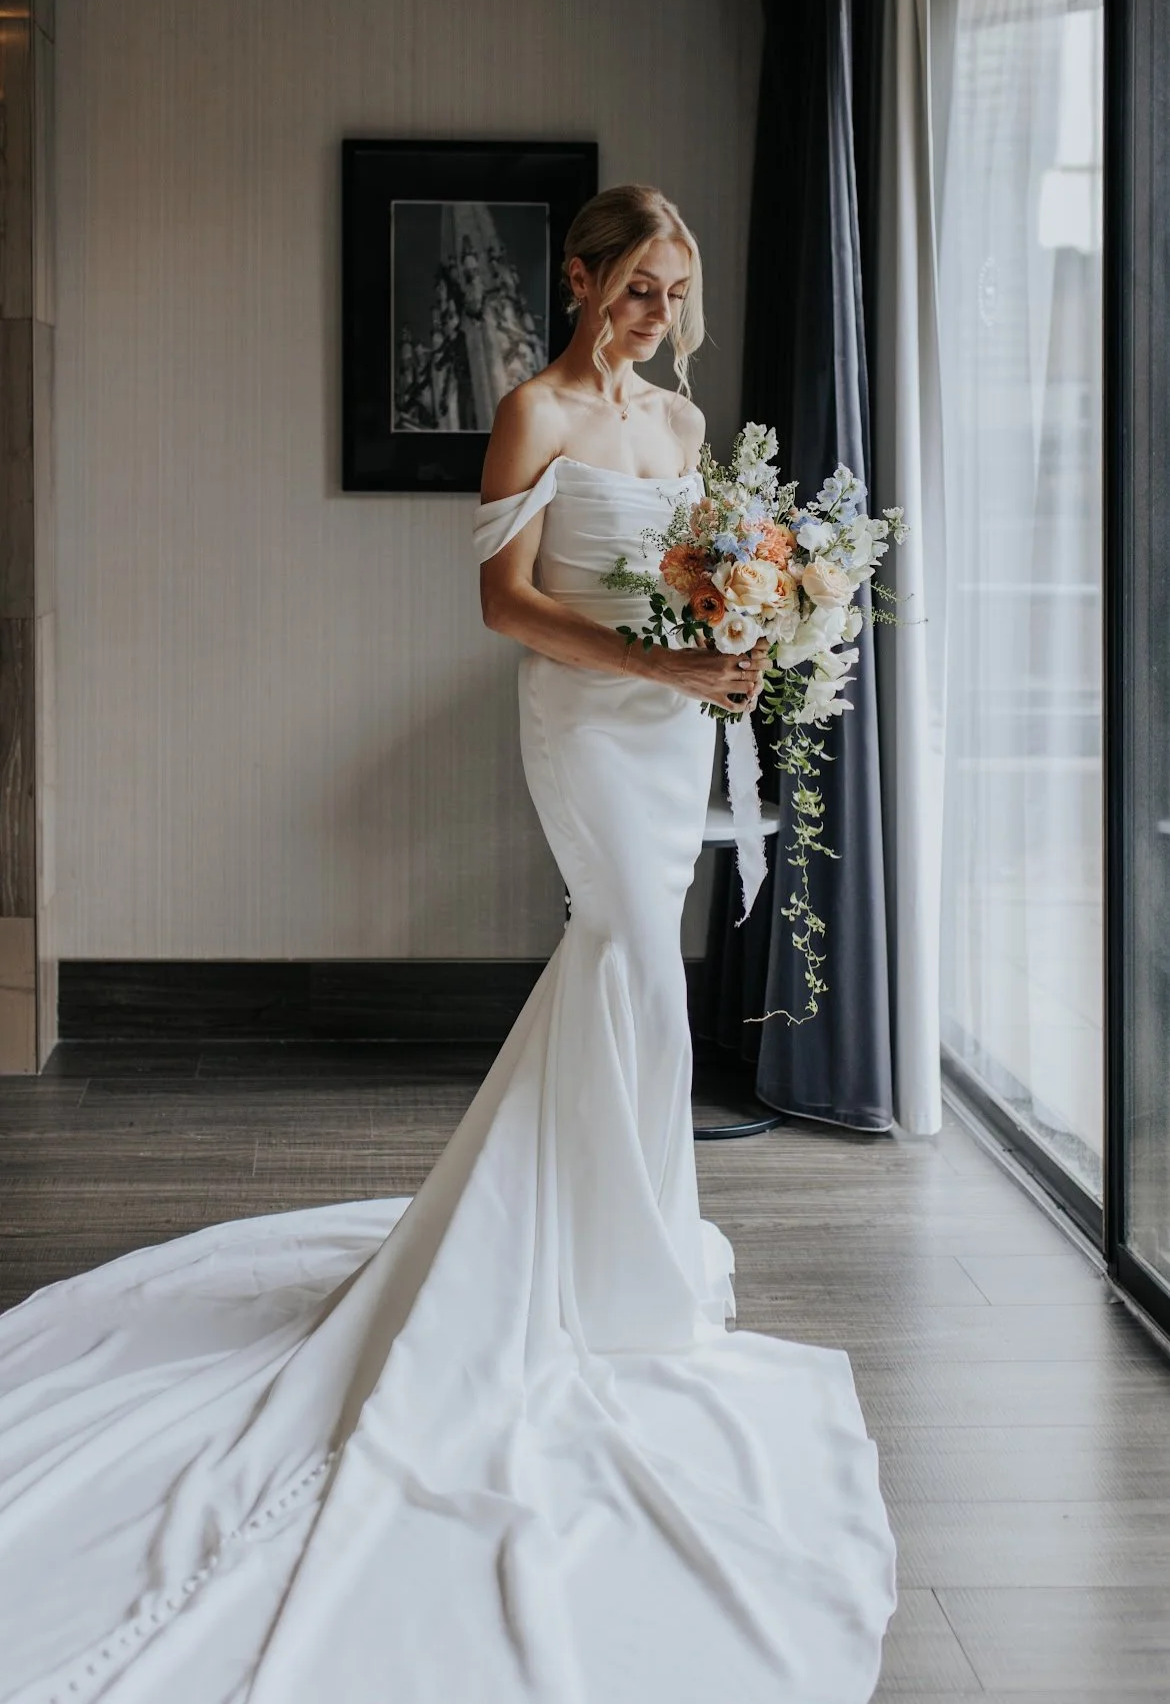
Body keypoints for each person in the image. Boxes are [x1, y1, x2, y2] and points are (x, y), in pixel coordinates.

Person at [0, 185, 897, 1704]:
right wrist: (659, 656)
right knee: (616, 947)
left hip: (672, 728)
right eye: (632, 290)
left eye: (671, 294)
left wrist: (749, 638)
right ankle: (586, 1262)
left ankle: (624, 1250)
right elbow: (505, 603)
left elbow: (700, 568)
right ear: (578, 275)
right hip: (587, 721)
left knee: (638, 969)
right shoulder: (532, 407)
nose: (652, 318)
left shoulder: (682, 430)